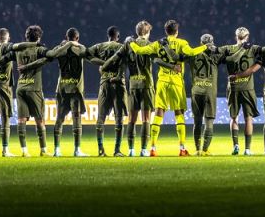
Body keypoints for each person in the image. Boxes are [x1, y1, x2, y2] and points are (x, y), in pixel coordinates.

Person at [129, 19, 206, 156]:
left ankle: (152, 148)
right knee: (179, 114)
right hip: (176, 82)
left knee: (159, 113)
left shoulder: (158, 43)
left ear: (166, 31)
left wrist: (131, 43)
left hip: (162, 82)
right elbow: (192, 52)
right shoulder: (182, 43)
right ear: (176, 31)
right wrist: (205, 47)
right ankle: (182, 148)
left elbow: (140, 51)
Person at [0, 25, 66, 157]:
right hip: (34, 88)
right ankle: (43, 150)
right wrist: (60, 47)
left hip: (20, 88)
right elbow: (52, 55)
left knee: (21, 120)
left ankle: (24, 151)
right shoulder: (39, 49)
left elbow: (2, 60)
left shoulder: (18, 50)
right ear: (38, 37)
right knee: (40, 120)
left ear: (26, 37)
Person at [101, 20, 155, 157]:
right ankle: (143, 150)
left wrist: (104, 67)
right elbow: (161, 59)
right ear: (147, 32)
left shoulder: (128, 44)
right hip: (147, 85)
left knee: (132, 119)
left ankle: (131, 150)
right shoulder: (151, 45)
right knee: (146, 119)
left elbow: (115, 58)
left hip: (133, 85)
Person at [0, 28, 39, 157]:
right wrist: (34, 44)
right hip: (3, 86)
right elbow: (20, 45)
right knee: (5, 118)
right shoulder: (8, 47)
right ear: (7, 38)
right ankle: (5, 150)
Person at [215, 26, 265, 156]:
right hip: (247, 88)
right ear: (247, 37)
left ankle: (236, 146)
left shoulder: (228, 49)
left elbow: (216, 55)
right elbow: (261, 59)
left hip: (233, 88)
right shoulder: (252, 48)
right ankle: (248, 149)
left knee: (233, 118)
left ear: (236, 36)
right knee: (248, 118)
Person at [173, 34, 224, 156]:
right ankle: (205, 150)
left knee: (197, 121)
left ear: (201, 43)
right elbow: (230, 56)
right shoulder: (216, 55)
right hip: (210, 90)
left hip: (196, 90)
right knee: (209, 122)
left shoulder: (193, 54)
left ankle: (197, 149)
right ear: (212, 43)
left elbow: (177, 57)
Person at [49, 28, 92, 157]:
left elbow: (51, 54)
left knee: (59, 119)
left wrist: (66, 44)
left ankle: (57, 150)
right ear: (77, 38)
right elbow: (90, 55)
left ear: (66, 37)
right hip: (75, 90)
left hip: (62, 88)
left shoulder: (60, 48)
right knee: (76, 118)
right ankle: (77, 150)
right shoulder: (81, 49)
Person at [85, 26, 127, 157]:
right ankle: (117, 150)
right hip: (118, 84)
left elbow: (86, 54)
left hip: (104, 83)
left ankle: (101, 149)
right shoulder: (121, 47)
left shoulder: (100, 46)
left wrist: (102, 63)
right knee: (119, 119)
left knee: (101, 118)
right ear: (117, 36)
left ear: (108, 36)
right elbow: (125, 62)